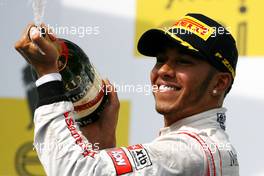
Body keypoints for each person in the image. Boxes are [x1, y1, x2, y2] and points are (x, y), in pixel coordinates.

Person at [15, 13, 239, 175]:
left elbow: (74, 171)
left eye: (183, 62)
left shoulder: (191, 152)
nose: (163, 71)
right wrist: (103, 144)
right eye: (161, 60)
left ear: (220, 83)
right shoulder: (206, 147)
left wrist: (47, 76)